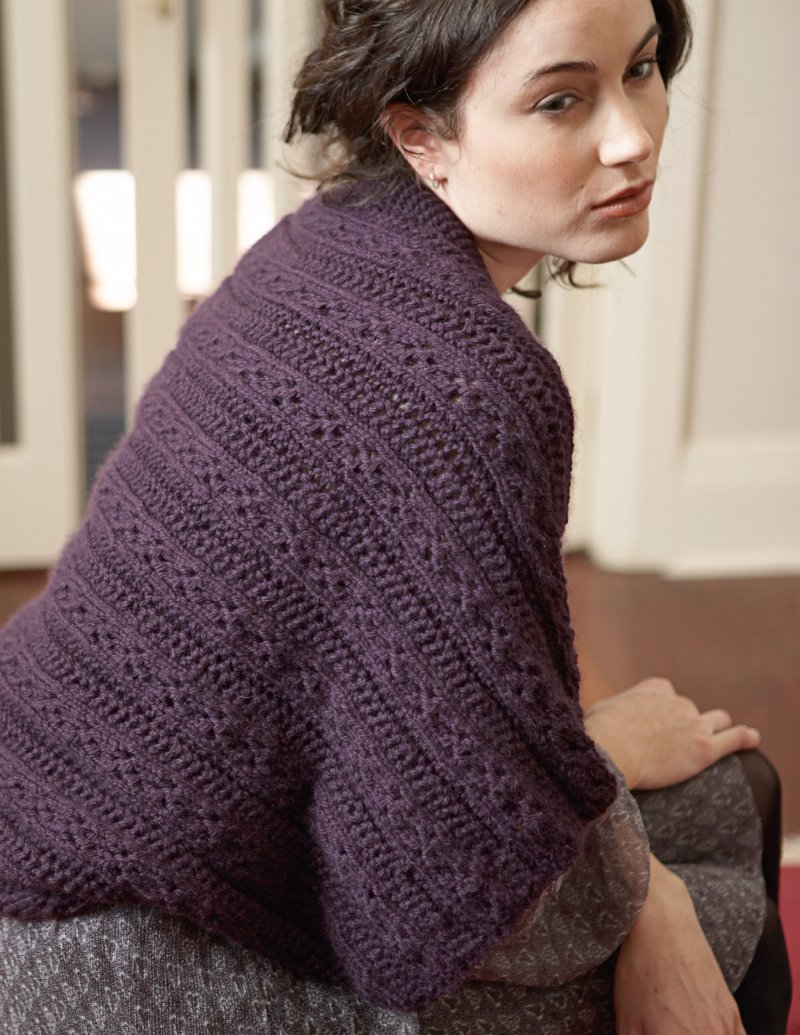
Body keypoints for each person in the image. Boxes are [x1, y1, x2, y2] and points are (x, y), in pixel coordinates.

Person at [0, 0, 792, 1031]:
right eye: (560, 101)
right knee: (733, 868)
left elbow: (413, 725)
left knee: (716, 795)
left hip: (52, 840)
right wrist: (656, 898)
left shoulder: (321, 247)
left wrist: (596, 783)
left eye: (640, 69)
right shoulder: (464, 389)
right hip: (135, 962)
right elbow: (454, 871)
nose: (632, 138)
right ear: (421, 136)